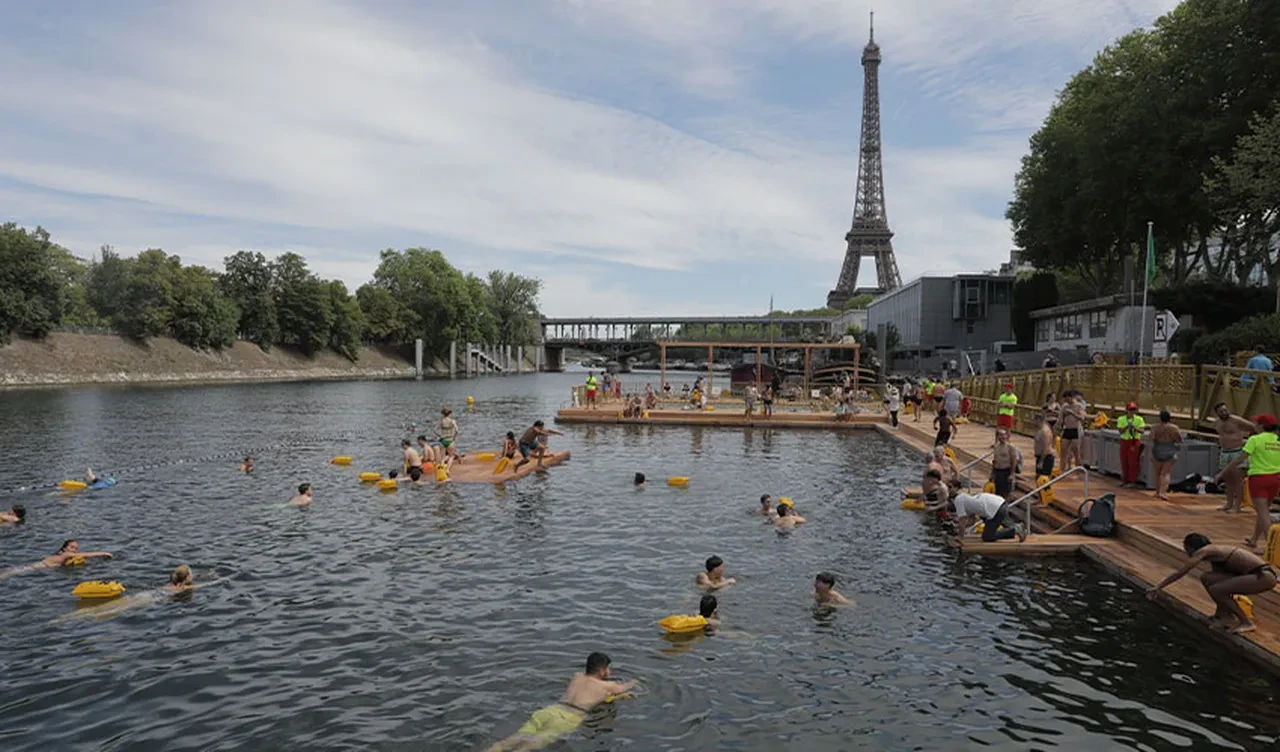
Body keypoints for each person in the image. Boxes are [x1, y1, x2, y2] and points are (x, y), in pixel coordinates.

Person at [487, 652, 636, 752]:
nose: (610, 671)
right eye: (609, 668)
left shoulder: (576, 676)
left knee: (512, 739)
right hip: (568, 718)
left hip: (550, 710)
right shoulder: (607, 685)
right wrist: (634, 681)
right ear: (602, 671)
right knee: (525, 748)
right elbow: (623, 688)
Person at [1146, 533, 1276, 634]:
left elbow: (1181, 572)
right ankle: (1224, 616)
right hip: (1254, 575)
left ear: (1190, 547)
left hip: (1263, 577)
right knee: (1208, 578)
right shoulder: (1215, 555)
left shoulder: (1204, 551)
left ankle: (1246, 622)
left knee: (1217, 589)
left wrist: (1159, 587)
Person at [1217, 414, 1280, 550]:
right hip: (1275, 479)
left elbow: (1239, 459)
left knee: (1263, 514)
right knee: (1263, 511)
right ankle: (1254, 539)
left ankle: (1272, 548)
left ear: (1262, 426)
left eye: (1256, 423)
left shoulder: (1255, 439)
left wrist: (1222, 473)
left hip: (1259, 479)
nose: (1254, 426)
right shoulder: (1277, 440)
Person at [935, 491, 1027, 543]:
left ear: (952, 500)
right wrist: (957, 528)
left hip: (997, 509)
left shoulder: (958, 501)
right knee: (988, 521)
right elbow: (972, 520)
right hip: (1000, 504)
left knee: (987, 537)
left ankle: (1015, 529)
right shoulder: (965, 500)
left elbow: (962, 520)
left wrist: (960, 536)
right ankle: (1015, 528)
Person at [1213, 402, 1255, 513]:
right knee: (1228, 480)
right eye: (1221, 411)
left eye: (1225, 410)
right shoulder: (1216, 423)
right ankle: (1228, 503)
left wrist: (1249, 441)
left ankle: (1237, 506)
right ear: (1217, 413)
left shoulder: (1236, 420)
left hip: (1236, 451)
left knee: (1238, 480)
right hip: (1224, 452)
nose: (1224, 412)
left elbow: (1252, 427)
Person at [1, 539, 114, 579]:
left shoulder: (59, 554)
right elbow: (86, 555)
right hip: (33, 569)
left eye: (76, 548)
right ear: (65, 548)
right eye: (72, 547)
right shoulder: (66, 555)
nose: (74, 550)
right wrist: (103, 553)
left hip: (33, 566)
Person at [1149, 410, 1183, 501]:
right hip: (1169, 448)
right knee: (1166, 472)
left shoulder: (1155, 427)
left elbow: (1151, 439)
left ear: (1160, 418)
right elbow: (1180, 439)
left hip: (1157, 448)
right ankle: (1162, 492)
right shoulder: (1174, 428)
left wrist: (1145, 452)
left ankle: (1157, 491)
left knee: (1157, 473)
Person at [1116, 402, 1146, 487]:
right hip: (1125, 440)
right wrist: (1126, 427)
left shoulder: (1139, 419)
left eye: (1134, 410)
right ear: (1126, 410)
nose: (1132, 412)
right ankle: (1125, 480)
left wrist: (1135, 428)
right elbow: (1120, 431)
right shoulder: (1121, 419)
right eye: (1130, 410)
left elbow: (1142, 430)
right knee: (1124, 460)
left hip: (1134, 441)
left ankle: (1132, 481)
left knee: (1133, 462)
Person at [1058, 393, 1089, 472]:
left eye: (1067, 399)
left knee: (1076, 450)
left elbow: (1082, 418)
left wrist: (1072, 413)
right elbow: (1060, 419)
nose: (1067, 401)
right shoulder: (1064, 407)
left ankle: (1078, 468)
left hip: (1075, 429)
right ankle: (1062, 470)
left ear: (1071, 398)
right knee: (1063, 450)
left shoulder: (1079, 406)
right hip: (1067, 429)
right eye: (1065, 400)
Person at [990, 428, 1021, 500]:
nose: (1002, 437)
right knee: (997, 492)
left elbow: (1014, 461)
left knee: (1006, 492)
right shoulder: (997, 447)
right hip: (997, 471)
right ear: (997, 437)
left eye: (1004, 435)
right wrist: (992, 473)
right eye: (1000, 435)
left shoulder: (1010, 447)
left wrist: (1012, 474)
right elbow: (995, 461)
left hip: (1006, 471)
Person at [1033, 414, 1056, 479]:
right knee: (1038, 478)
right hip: (1040, 457)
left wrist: (1041, 461)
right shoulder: (1040, 430)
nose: (1033, 422)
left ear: (1038, 420)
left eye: (1034, 420)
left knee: (1043, 479)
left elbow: (1046, 447)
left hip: (1046, 458)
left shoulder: (1044, 431)